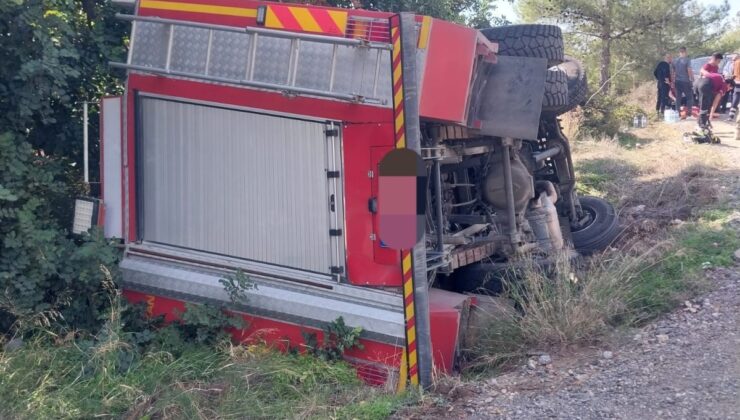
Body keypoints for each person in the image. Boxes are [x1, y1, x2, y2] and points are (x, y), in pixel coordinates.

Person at [672, 47, 694, 119]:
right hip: (686, 81)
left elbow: (673, 72)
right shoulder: (687, 60)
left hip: (677, 82)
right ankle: (689, 113)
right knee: (689, 97)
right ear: (685, 51)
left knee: (678, 98)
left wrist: (673, 81)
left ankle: (677, 113)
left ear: (679, 52)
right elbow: (689, 70)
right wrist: (691, 79)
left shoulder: (675, 61)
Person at [728, 55, 740, 121]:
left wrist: (730, 82)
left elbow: (734, 74)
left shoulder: (736, 63)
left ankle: (731, 116)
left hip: (737, 83)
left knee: (735, 99)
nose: (733, 61)